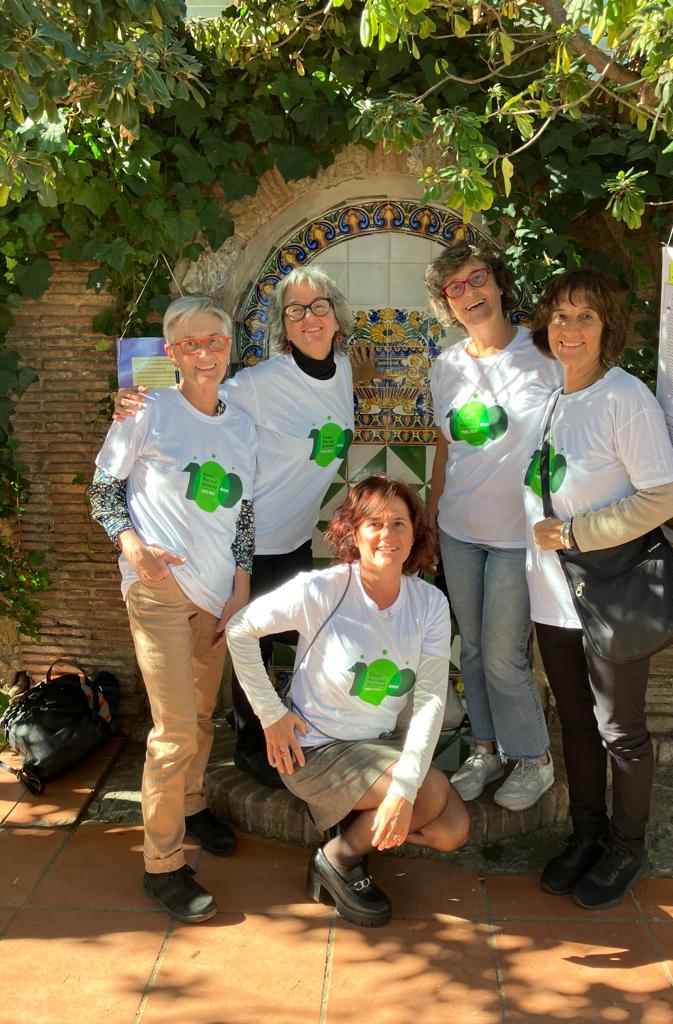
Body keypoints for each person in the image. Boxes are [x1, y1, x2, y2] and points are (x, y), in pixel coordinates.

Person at [114, 267, 357, 786]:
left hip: (294, 538)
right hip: (251, 541)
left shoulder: (343, 369)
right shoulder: (261, 383)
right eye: (295, 311)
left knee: (296, 638)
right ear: (283, 326)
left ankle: (299, 730)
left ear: (336, 315)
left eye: (319, 306)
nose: (309, 318)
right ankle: (251, 746)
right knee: (254, 648)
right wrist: (134, 397)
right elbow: (197, 387)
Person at [226, 476, 470, 927]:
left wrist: (401, 793)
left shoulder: (430, 604)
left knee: (452, 831)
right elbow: (240, 630)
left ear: (415, 533)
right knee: (431, 791)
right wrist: (271, 714)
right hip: (315, 749)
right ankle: (339, 857)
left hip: (378, 746)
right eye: (374, 523)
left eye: (399, 523)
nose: (387, 535)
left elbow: (431, 701)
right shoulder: (322, 590)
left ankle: (364, 819)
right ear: (353, 533)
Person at [90, 296, 258, 923]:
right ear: (172, 352)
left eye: (215, 341)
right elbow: (103, 490)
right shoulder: (147, 409)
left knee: (203, 716)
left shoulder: (241, 425)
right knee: (174, 730)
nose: (205, 353)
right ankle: (162, 864)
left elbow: (243, 512)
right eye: (191, 344)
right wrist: (133, 547)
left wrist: (241, 586)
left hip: (216, 595)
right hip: (158, 587)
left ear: (229, 346)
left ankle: (192, 803)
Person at [524, 269, 673, 910]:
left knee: (621, 730)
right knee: (575, 722)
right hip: (554, 597)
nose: (569, 328)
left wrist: (573, 533)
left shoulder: (625, 397)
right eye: (559, 315)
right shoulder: (555, 398)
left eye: (584, 316)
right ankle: (586, 835)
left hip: (609, 593)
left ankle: (626, 847)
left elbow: (661, 497)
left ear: (606, 326)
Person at [425, 242, 561, 810]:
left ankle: (533, 760)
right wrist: (431, 516)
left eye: (477, 278)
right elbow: (445, 449)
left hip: (518, 537)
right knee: (475, 652)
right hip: (459, 531)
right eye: (455, 288)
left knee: (505, 656)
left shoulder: (545, 353)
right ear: (447, 304)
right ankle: (485, 750)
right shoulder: (446, 367)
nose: (470, 294)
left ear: (499, 282)